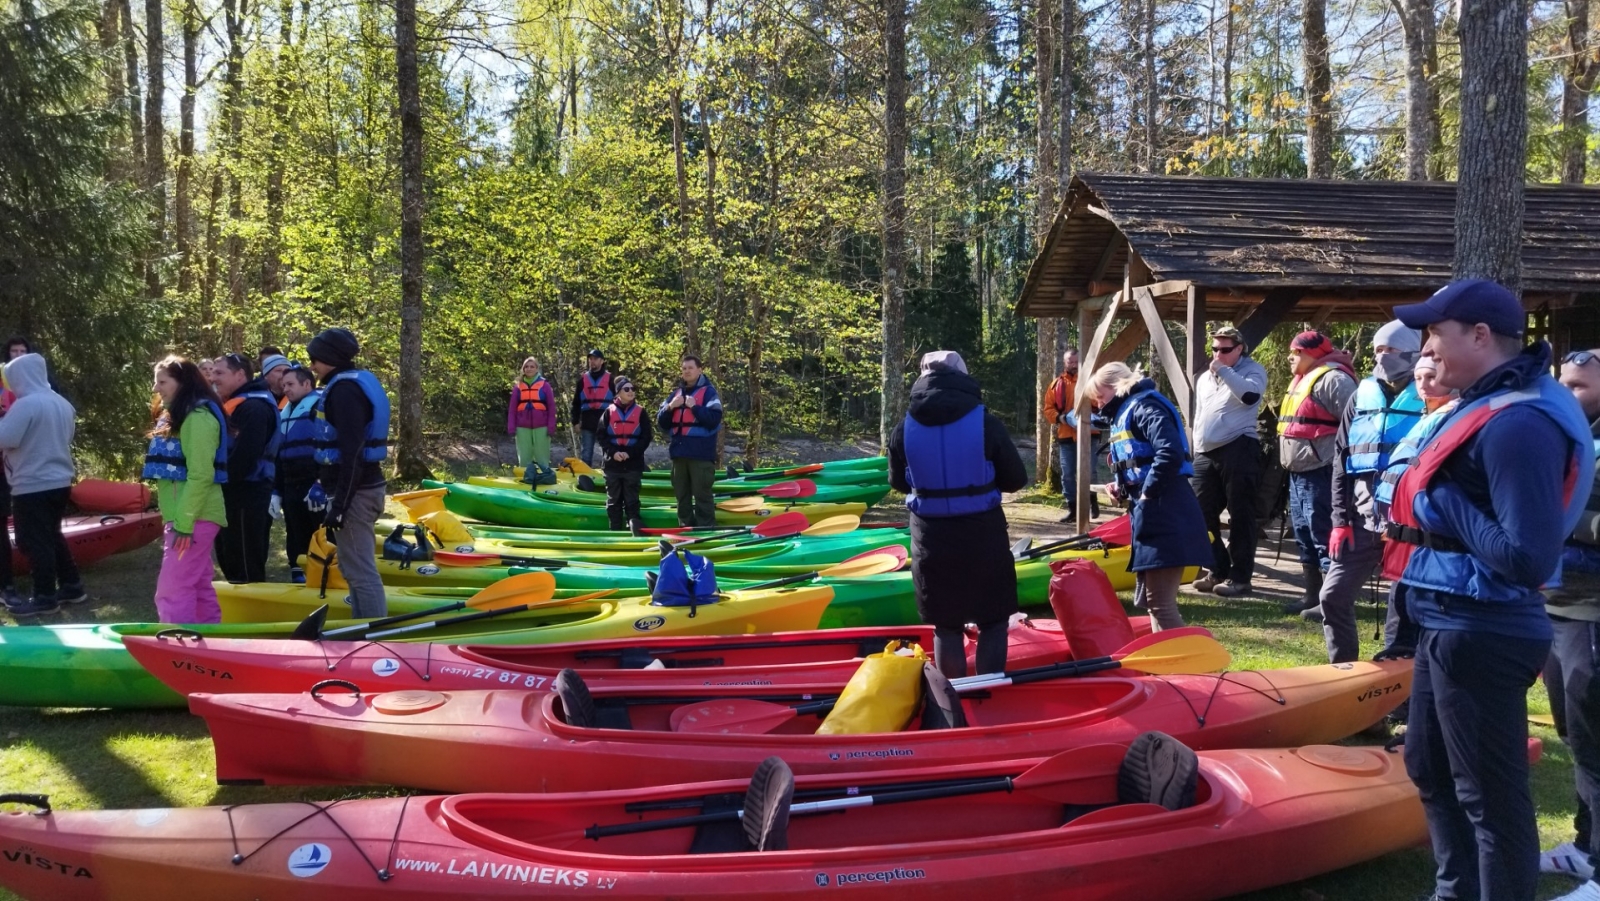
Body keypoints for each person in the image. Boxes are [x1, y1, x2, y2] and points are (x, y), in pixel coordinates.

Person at [1384, 279, 1594, 901]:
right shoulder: (1486, 406)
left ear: (1480, 336)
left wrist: (1439, 499)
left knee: (1489, 799)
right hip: (1445, 616)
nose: (1426, 349)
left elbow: (1527, 557)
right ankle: (1454, 892)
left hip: (1484, 627)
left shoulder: (1518, 424)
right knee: (1429, 766)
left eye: (1435, 334)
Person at [888, 351, 1027, 678]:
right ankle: (987, 694)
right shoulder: (986, 423)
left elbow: (896, 482)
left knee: (946, 624)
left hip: (930, 536)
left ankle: (953, 696)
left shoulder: (902, 428)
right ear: (963, 377)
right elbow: (1016, 479)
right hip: (983, 534)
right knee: (993, 620)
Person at [1308, 320, 1423, 658]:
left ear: (1414, 353)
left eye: (1392, 350)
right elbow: (1341, 462)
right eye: (1378, 350)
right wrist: (1340, 521)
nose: (1383, 357)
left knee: (1402, 610)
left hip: (1408, 523)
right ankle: (1342, 671)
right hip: (1361, 519)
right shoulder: (1361, 395)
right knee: (1333, 596)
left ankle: (1396, 690)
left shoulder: (1432, 395)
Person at [1537, 348, 1600, 898]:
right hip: (1555, 607)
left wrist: (1552, 515)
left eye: (1578, 386)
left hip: (1592, 611)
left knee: (1597, 740)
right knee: (1576, 738)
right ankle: (1585, 849)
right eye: (1563, 383)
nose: (1566, 393)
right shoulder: (1566, 436)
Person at [1086, 362, 1211, 632]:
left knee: (1161, 604)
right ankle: (1167, 669)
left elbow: (1170, 452)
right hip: (1154, 510)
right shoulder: (1127, 410)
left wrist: (1147, 493)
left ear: (1116, 386)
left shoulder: (1144, 407)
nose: (1097, 404)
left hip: (1167, 510)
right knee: (1154, 602)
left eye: (1099, 396)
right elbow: (1139, 463)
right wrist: (1122, 487)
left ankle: (1191, 670)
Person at [306, 328, 390, 618]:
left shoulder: (345, 392)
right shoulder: (345, 385)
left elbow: (352, 451)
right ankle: (364, 631)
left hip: (357, 493)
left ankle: (373, 642)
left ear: (330, 358)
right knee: (354, 570)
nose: (312, 365)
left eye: (315, 358)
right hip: (360, 489)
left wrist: (340, 506)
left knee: (360, 572)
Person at [1277, 330, 1357, 616]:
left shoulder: (1334, 380)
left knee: (1323, 535)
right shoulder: (1303, 378)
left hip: (1321, 471)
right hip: (1298, 473)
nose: (1291, 357)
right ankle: (1312, 596)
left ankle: (1330, 602)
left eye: (1297, 352)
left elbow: (1354, 425)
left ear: (1314, 354)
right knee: (1303, 535)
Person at [143, 357, 229, 623]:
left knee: (173, 588)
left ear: (183, 383)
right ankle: (209, 642)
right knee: (198, 585)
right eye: (156, 381)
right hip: (188, 518)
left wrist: (184, 522)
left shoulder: (198, 418)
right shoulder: (178, 416)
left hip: (193, 520)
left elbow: (202, 475)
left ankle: (175, 644)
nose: (156, 389)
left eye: (163, 382)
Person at [0, 352, 84, 616]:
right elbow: (67, 436)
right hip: (59, 481)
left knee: (36, 541)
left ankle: (45, 596)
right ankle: (72, 585)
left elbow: (6, 438)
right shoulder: (61, 403)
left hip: (32, 483)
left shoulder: (26, 405)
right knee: (51, 535)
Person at [1190, 325, 1269, 598]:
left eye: (1225, 350)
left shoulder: (1253, 371)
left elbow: (1249, 397)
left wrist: (1224, 371)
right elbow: (1200, 415)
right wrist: (1195, 446)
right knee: (1198, 514)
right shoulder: (1204, 379)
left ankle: (1241, 577)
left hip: (1239, 448)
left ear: (1240, 349)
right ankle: (1217, 568)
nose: (1217, 355)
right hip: (1204, 453)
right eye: (1214, 349)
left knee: (1241, 516)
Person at [212, 353, 277, 583]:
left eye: (219, 373)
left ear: (240, 375)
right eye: (212, 372)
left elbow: (246, 456)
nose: (213, 377)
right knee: (228, 554)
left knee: (244, 557)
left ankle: (254, 609)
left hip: (247, 491)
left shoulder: (255, 407)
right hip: (232, 491)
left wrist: (219, 479)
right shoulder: (236, 404)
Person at [657, 355, 724, 528]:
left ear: (699, 370)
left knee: (702, 496)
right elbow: (661, 422)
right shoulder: (676, 394)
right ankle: (685, 529)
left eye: (690, 368)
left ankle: (706, 531)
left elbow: (714, 419)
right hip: (679, 454)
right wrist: (671, 407)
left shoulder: (709, 393)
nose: (686, 371)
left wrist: (694, 407)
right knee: (682, 497)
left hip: (700, 455)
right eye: (684, 368)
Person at [274, 365, 322, 583]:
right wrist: (276, 490)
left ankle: (326, 575)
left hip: (314, 485)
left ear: (306, 384)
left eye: (290, 384)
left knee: (320, 533)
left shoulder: (320, 407)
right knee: (294, 531)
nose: (285, 389)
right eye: (284, 385)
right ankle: (297, 571)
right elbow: (277, 454)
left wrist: (322, 483)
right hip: (290, 483)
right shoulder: (285, 411)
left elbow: (332, 447)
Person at [1041, 350, 1101, 524]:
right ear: (1064, 362)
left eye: (1076, 361)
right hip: (1066, 435)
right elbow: (1048, 409)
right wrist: (1061, 418)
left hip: (1090, 433)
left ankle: (1092, 502)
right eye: (1070, 362)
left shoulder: (1091, 382)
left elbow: (1101, 402)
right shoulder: (1056, 384)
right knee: (1067, 474)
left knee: (1090, 471)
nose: (1073, 365)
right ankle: (1073, 509)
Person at [599, 376, 652, 533]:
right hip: (612, 465)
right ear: (618, 393)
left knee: (632, 500)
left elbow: (645, 438)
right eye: (626, 389)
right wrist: (613, 453)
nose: (631, 392)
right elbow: (601, 436)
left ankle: (633, 530)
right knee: (613, 500)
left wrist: (629, 453)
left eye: (633, 389)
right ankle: (614, 531)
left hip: (632, 464)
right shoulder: (608, 412)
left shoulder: (641, 413)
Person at [0, 338, 28, 606]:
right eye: (13, 351)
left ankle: (7, 586)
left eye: (23, 351)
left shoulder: (23, 390)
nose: (18, 356)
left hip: (7, 470)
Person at [507, 356, 556, 471]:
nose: (529, 369)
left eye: (532, 366)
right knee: (524, 458)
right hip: (522, 427)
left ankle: (544, 478)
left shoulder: (545, 385)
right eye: (526, 367)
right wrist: (511, 427)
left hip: (542, 426)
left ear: (537, 369)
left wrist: (551, 426)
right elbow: (512, 410)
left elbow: (551, 408)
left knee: (542, 457)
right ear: (523, 369)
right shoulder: (518, 387)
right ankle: (526, 478)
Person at [570, 349, 614, 468]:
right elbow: (576, 403)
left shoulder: (610, 379)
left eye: (595, 359)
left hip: (605, 421)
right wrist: (575, 421)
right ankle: (585, 478)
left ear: (602, 361)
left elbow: (617, 401)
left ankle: (608, 476)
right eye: (591, 359)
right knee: (586, 453)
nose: (592, 362)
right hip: (587, 420)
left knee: (608, 451)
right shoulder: (583, 380)